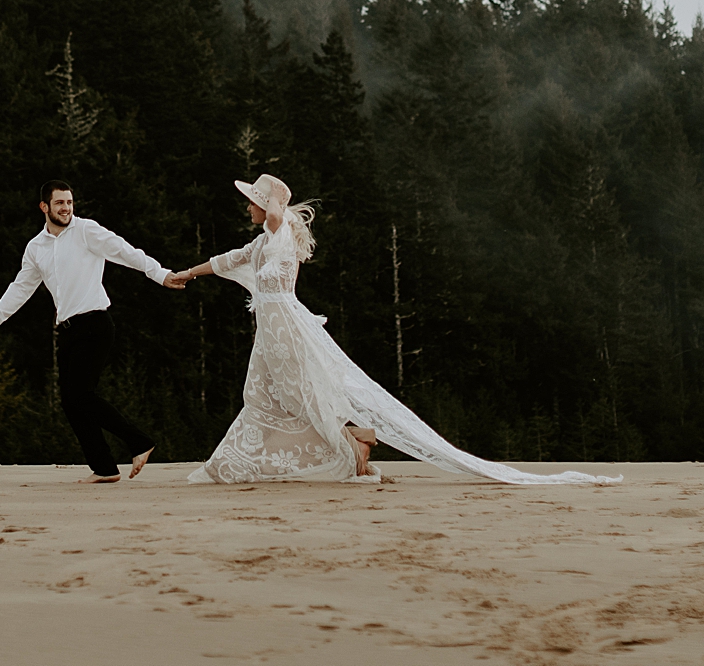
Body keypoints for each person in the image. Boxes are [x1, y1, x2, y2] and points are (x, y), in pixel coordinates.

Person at [171, 174, 620, 487]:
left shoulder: (279, 232)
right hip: (268, 334)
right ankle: (331, 445)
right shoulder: (260, 242)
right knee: (267, 398)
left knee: (302, 396)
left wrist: (273, 205)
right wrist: (186, 274)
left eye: (252, 200)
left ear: (266, 207)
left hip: (286, 329)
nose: (247, 207)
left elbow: (273, 220)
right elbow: (227, 260)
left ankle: (353, 445)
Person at [0, 180, 189, 482]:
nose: (66, 208)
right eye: (59, 203)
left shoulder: (87, 230)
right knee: (70, 400)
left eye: (70, 202)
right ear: (44, 207)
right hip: (68, 330)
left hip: (96, 324)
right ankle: (103, 467)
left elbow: (127, 252)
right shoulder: (36, 248)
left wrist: (161, 274)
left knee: (81, 394)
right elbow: (20, 288)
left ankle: (139, 441)